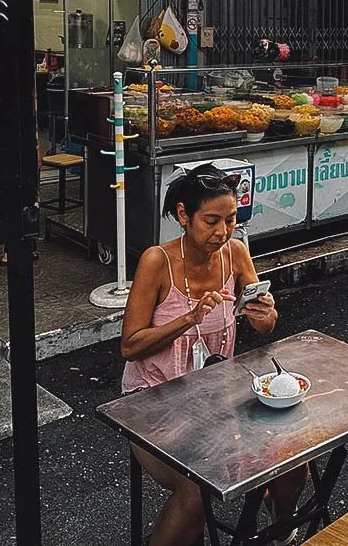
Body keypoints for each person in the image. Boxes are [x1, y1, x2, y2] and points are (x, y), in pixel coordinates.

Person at [120, 164, 307, 546]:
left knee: (293, 457)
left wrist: (265, 313)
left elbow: (266, 324)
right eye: (211, 221)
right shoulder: (157, 261)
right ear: (184, 216)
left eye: (231, 219)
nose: (222, 232)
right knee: (195, 489)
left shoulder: (235, 253)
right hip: (151, 403)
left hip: (215, 397)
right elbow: (130, 345)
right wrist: (190, 317)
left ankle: (280, 527)